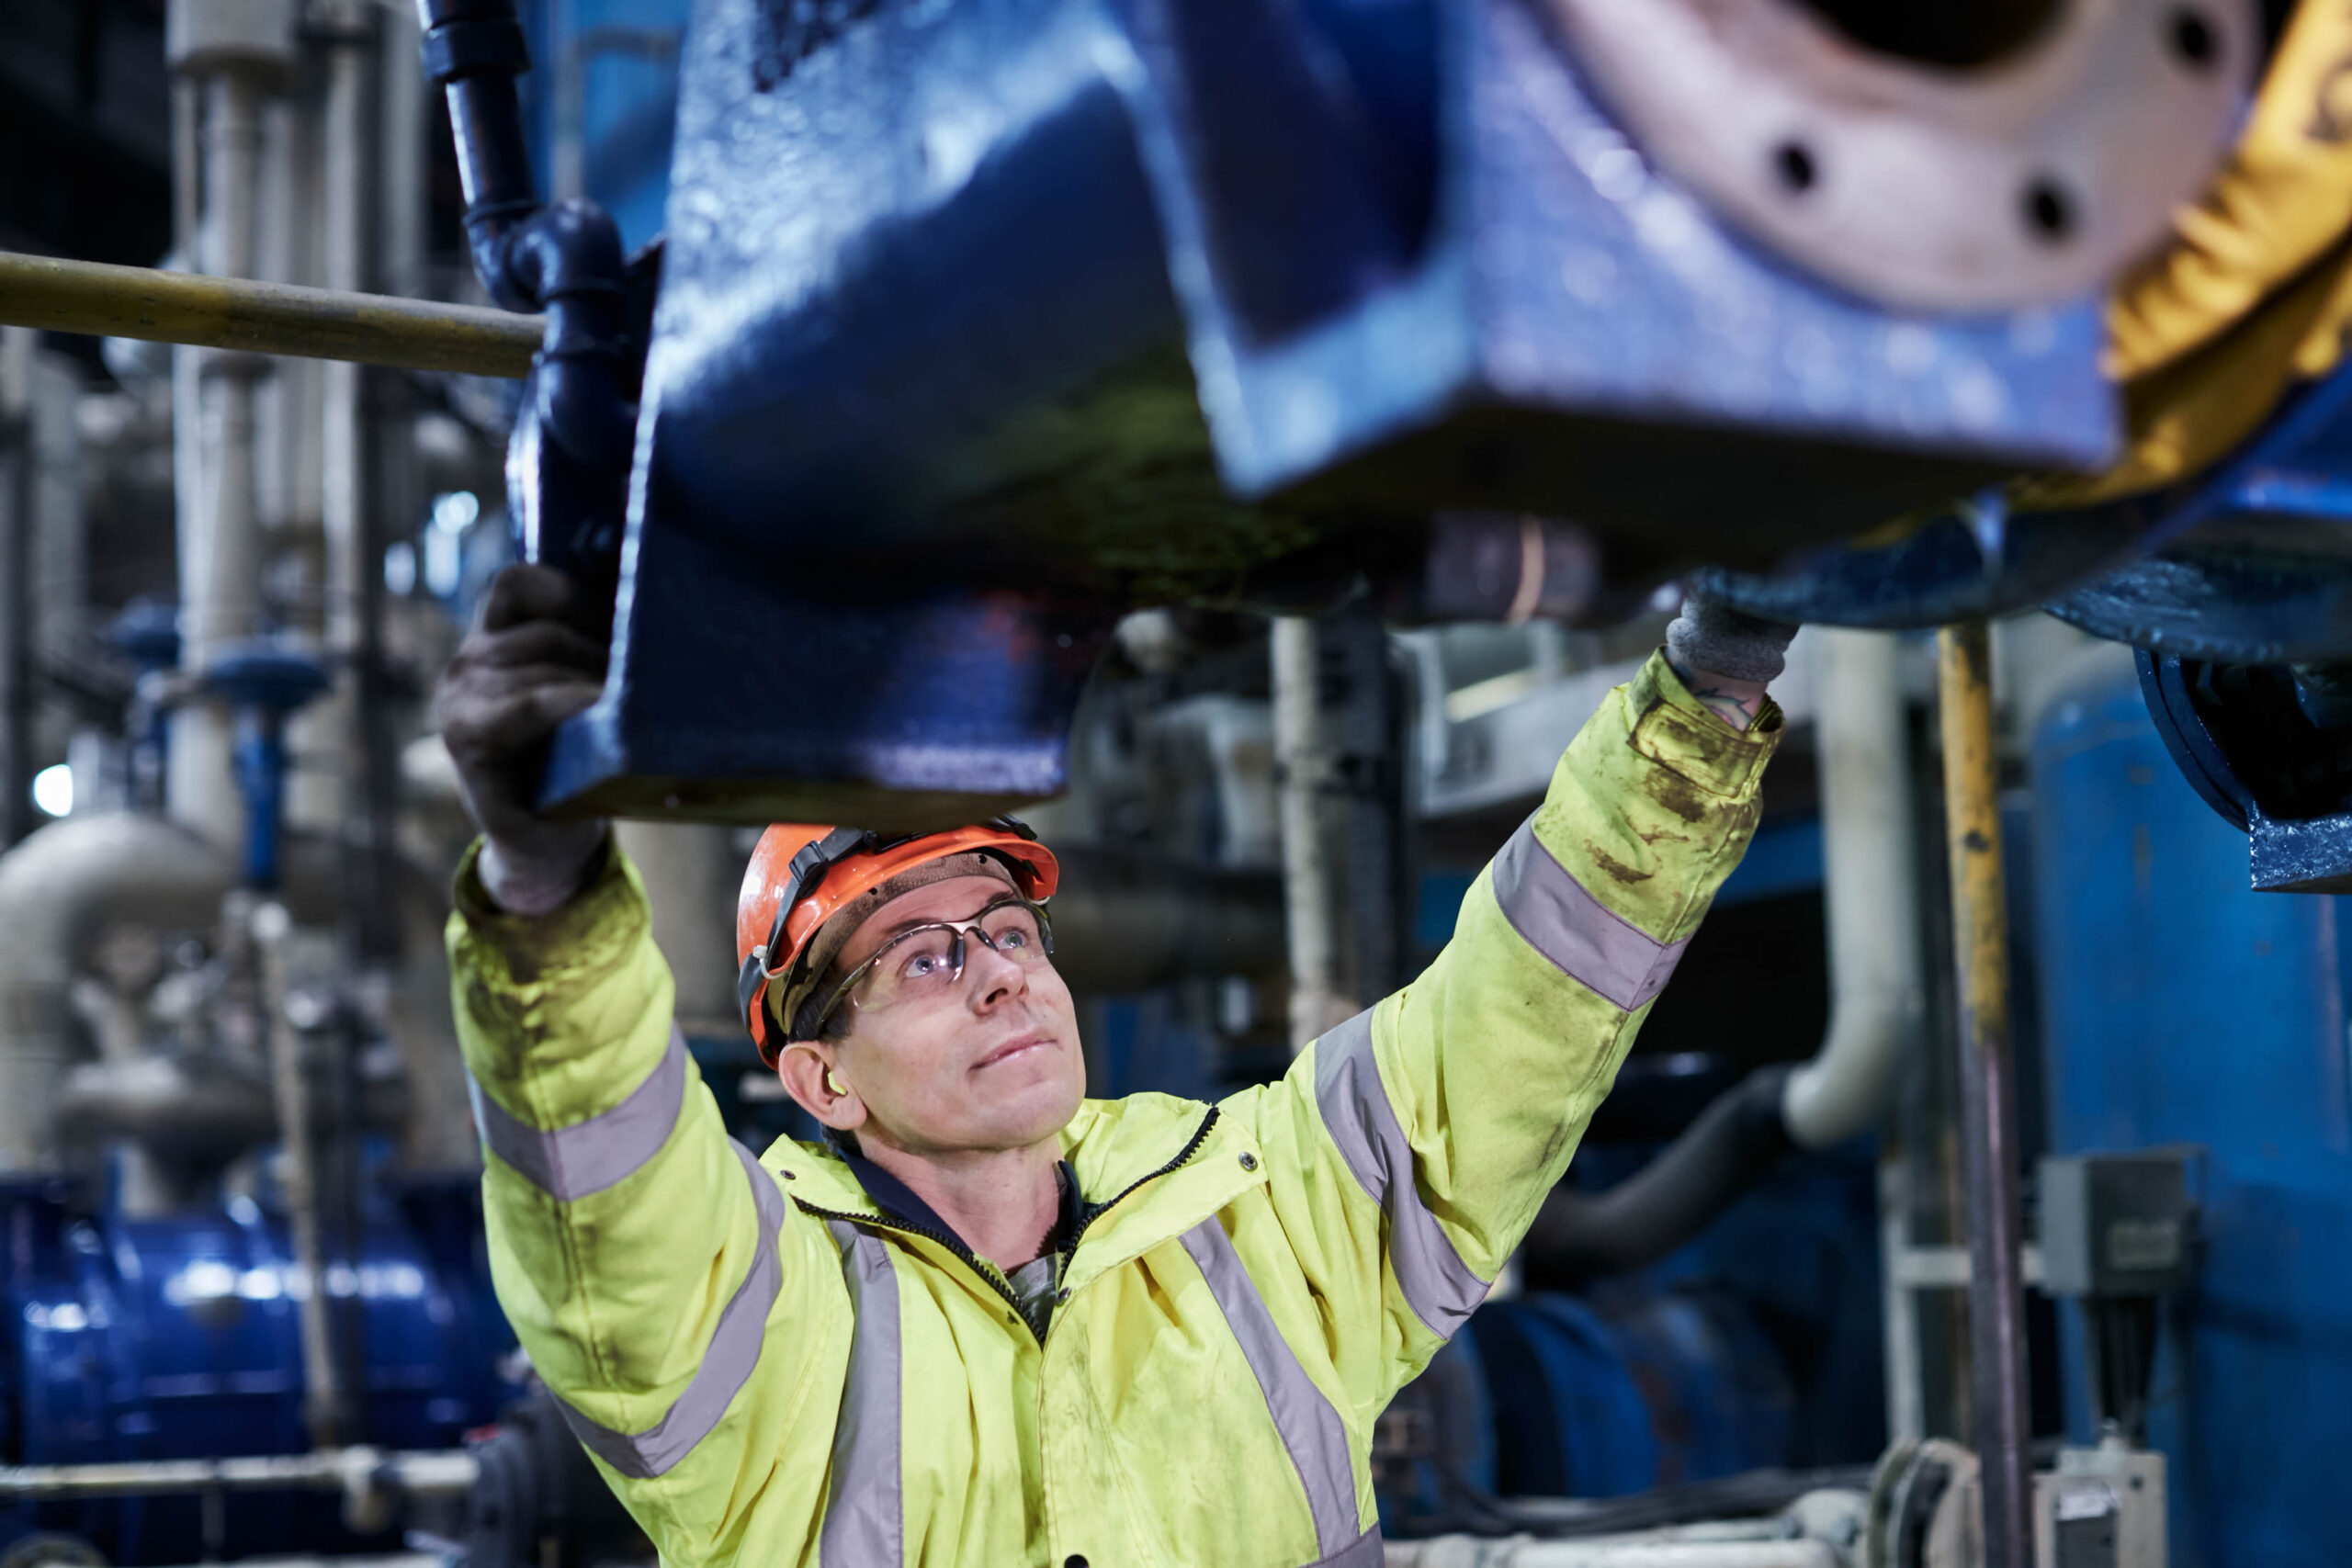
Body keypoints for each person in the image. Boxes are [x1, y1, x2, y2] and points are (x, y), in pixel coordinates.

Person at [435, 564, 1795, 1567]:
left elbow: (1530, 1004)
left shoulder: (1264, 1215)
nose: (1002, 971)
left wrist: (1719, 670)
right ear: (822, 1081)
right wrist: (545, 883)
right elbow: (600, 1190)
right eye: (923, 958)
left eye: (1011, 929)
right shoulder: (773, 1327)